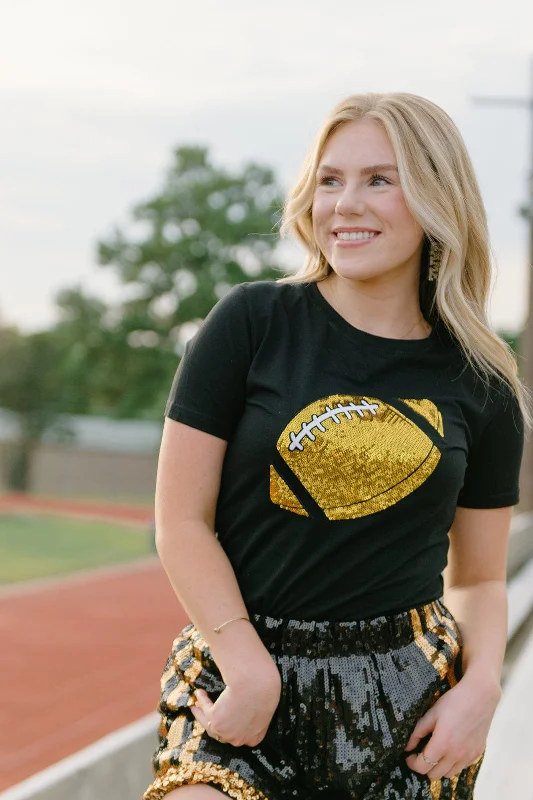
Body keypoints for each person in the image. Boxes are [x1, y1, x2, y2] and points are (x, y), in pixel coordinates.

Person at [143, 92, 527, 800]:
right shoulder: (250, 322)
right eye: (330, 179)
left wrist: (480, 689)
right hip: (241, 673)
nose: (345, 203)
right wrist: (248, 665)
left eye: (379, 179)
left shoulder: (481, 382)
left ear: (437, 199)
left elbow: (475, 577)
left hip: (406, 700)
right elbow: (180, 521)